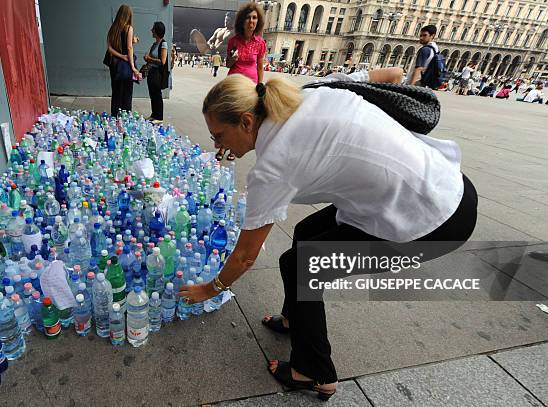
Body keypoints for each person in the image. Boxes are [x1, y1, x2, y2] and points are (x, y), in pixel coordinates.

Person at [180, 68, 478, 401]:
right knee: (306, 233)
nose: (217, 145)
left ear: (247, 122)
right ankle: (296, 318)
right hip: (445, 182)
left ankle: (315, 371)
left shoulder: (274, 164)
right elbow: (388, 73)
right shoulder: (310, 91)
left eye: (218, 135)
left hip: (434, 219)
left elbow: (246, 256)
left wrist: (210, 288)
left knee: (302, 266)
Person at [216, 2, 266, 162]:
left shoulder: (260, 43)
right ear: (242, 21)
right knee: (229, 115)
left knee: (242, 119)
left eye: (255, 18)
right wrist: (232, 59)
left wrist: (260, 85)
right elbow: (228, 64)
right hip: (234, 83)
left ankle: (232, 148)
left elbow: (260, 66)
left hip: (250, 86)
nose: (251, 21)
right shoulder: (234, 41)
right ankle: (223, 146)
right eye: (248, 18)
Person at [105, 4, 140, 117]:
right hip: (125, 65)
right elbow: (129, 48)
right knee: (127, 91)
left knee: (116, 90)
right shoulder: (129, 28)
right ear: (128, 15)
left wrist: (120, 55)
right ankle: (125, 116)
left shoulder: (113, 28)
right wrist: (133, 66)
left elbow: (110, 48)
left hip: (114, 65)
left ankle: (115, 115)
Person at [144, 21, 168, 124]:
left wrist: (149, 59)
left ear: (157, 31)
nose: (151, 30)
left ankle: (159, 117)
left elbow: (162, 61)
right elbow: (148, 55)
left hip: (157, 73)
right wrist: (148, 58)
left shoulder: (163, 44)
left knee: (157, 95)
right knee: (152, 94)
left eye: (153, 29)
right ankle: (154, 114)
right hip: (151, 71)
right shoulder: (154, 44)